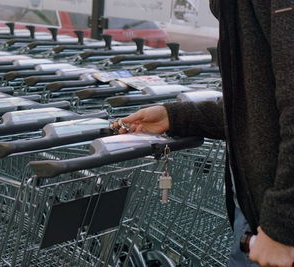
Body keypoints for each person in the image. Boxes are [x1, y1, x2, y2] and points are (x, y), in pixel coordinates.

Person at [113, 1, 294, 266]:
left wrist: (283, 223)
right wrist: (176, 117)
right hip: (260, 215)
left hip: (276, 225)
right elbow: (258, 109)